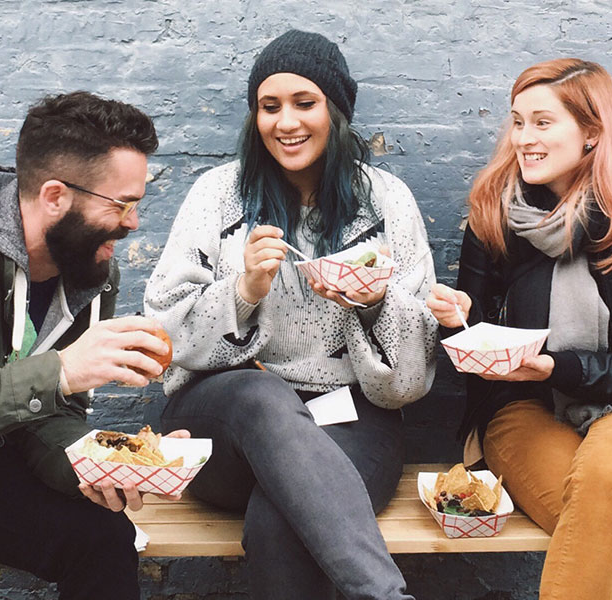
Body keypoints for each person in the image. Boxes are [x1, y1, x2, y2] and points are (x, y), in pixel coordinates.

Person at [144, 29, 437, 600]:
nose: (286, 122)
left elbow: (407, 381)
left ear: (337, 112)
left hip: (353, 417)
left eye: (305, 103)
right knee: (265, 398)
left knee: (281, 523)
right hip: (223, 420)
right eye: (269, 106)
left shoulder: (387, 202)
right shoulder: (216, 195)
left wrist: (374, 302)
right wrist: (244, 289)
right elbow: (162, 335)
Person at [0, 91, 176, 599]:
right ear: (55, 196)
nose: (133, 222)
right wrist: (58, 372)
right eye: (121, 204)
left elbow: (48, 415)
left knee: (103, 536)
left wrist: (95, 465)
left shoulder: (89, 274)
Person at [427, 59, 612, 599]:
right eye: (518, 122)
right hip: (523, 410)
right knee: (611, 526)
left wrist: (559, 366)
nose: (523, 138)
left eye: (542, 122)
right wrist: (457, 324)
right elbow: (470, 353)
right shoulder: (493, 215)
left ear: (592, 132)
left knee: (606, 470)